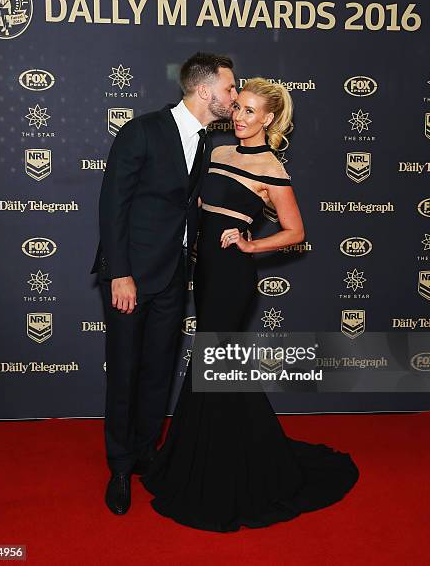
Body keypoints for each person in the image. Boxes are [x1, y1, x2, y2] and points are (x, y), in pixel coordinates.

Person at [141, 77, 359, 532]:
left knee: (216, 364)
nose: (239, 117)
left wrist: (249, 244)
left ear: (269, 119)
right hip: (205, 273)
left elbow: (296, 232)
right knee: (219, 366)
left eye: (250, 111)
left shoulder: (272, 169)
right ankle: (214, 456)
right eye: (237, 107)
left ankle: (223, 469)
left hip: (232, 278)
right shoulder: (218, 153)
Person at [91, 52, 238, 515]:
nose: (234, 97)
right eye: (230, 89)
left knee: (158, 369)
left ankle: (143, 451)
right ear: (203, 90)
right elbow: (112, 205)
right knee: (125, 372)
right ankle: (118, 466)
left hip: (175, 275)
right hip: (131, 277)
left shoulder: (208, 142)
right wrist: (120, 273)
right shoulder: (142, 131)